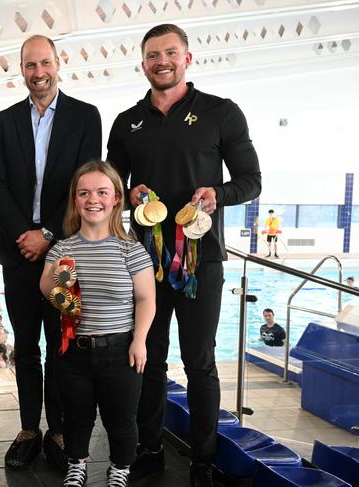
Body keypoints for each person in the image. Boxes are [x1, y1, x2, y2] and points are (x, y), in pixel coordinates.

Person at [106, 23, 261, 486]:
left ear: (187, 58)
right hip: (145, 259)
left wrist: (217, 192)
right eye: (153, 55)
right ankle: (149, 449)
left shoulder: (221, 112)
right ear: (144, 64)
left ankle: (202, 459)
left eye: (170, 53)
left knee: (200, 361)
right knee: (149, 358)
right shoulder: (127, 121)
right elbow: (112, 185)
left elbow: (251, 181)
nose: (162, 62)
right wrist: (127, 192)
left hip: (201, 259)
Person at [0, 34, 102, 470]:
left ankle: (57, 430)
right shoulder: (4, 121)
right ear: (22, 69)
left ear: (59, 63)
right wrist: (26, 235)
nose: (39, 73)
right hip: (19, 252)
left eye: (45, 63)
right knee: (27, 346)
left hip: (66, 250)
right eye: (30, 65)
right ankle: (28, 429)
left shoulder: (85, 117)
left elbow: (86, 181)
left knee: (61, 344)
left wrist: (49, 234)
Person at [41, 161, 156, 487]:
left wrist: (140, 340)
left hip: (120, 351)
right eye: (85, 192)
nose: (94, 199)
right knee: (76, 418)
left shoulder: (131, 250)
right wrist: (60, 281)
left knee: (121, 421)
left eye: (102, 192)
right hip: (74, 351)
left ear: (116, 198)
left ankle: (120, 467)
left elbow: (146, 299)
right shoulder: (63, 248)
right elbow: (46, 288)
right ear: (75, 200)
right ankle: (77, 463)